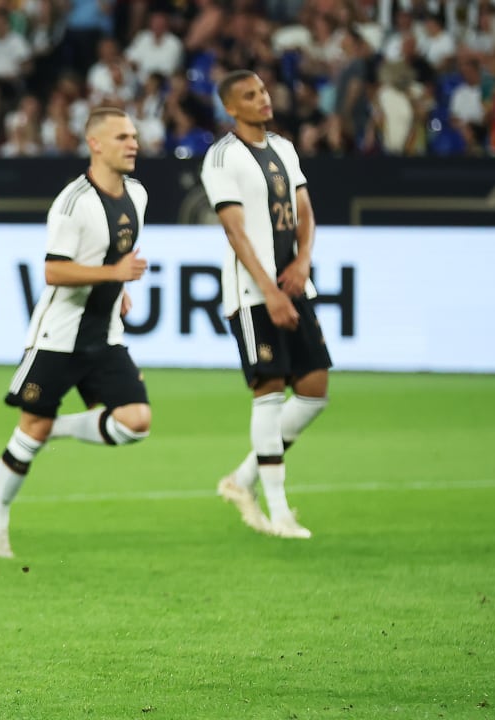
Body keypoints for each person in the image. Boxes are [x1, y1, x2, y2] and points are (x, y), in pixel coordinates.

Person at [0, 107, 151, 559]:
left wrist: (118, 288)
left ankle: (55, 428)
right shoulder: (73, 202)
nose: (133, 143)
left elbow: (118, 252)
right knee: (29, 430)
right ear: (95, 144)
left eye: (133, 136)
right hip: (58, 337)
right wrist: (113, 274)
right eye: (122, 137)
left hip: (105, 334)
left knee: (136, 422)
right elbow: (54, 271)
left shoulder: (137, 193)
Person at [200, 70, 331, 540]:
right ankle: (279, 513)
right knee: (270, 391)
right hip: (253, 293)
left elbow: (305, 211)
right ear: (231, 108)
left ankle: (241, 480)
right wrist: (269, 290)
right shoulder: (222, 157)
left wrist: (303, 262)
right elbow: (235, 231)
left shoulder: (284, 148)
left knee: (314, 390)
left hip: (293, 284)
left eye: (263, 91)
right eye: (250, 95)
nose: (263, 99)